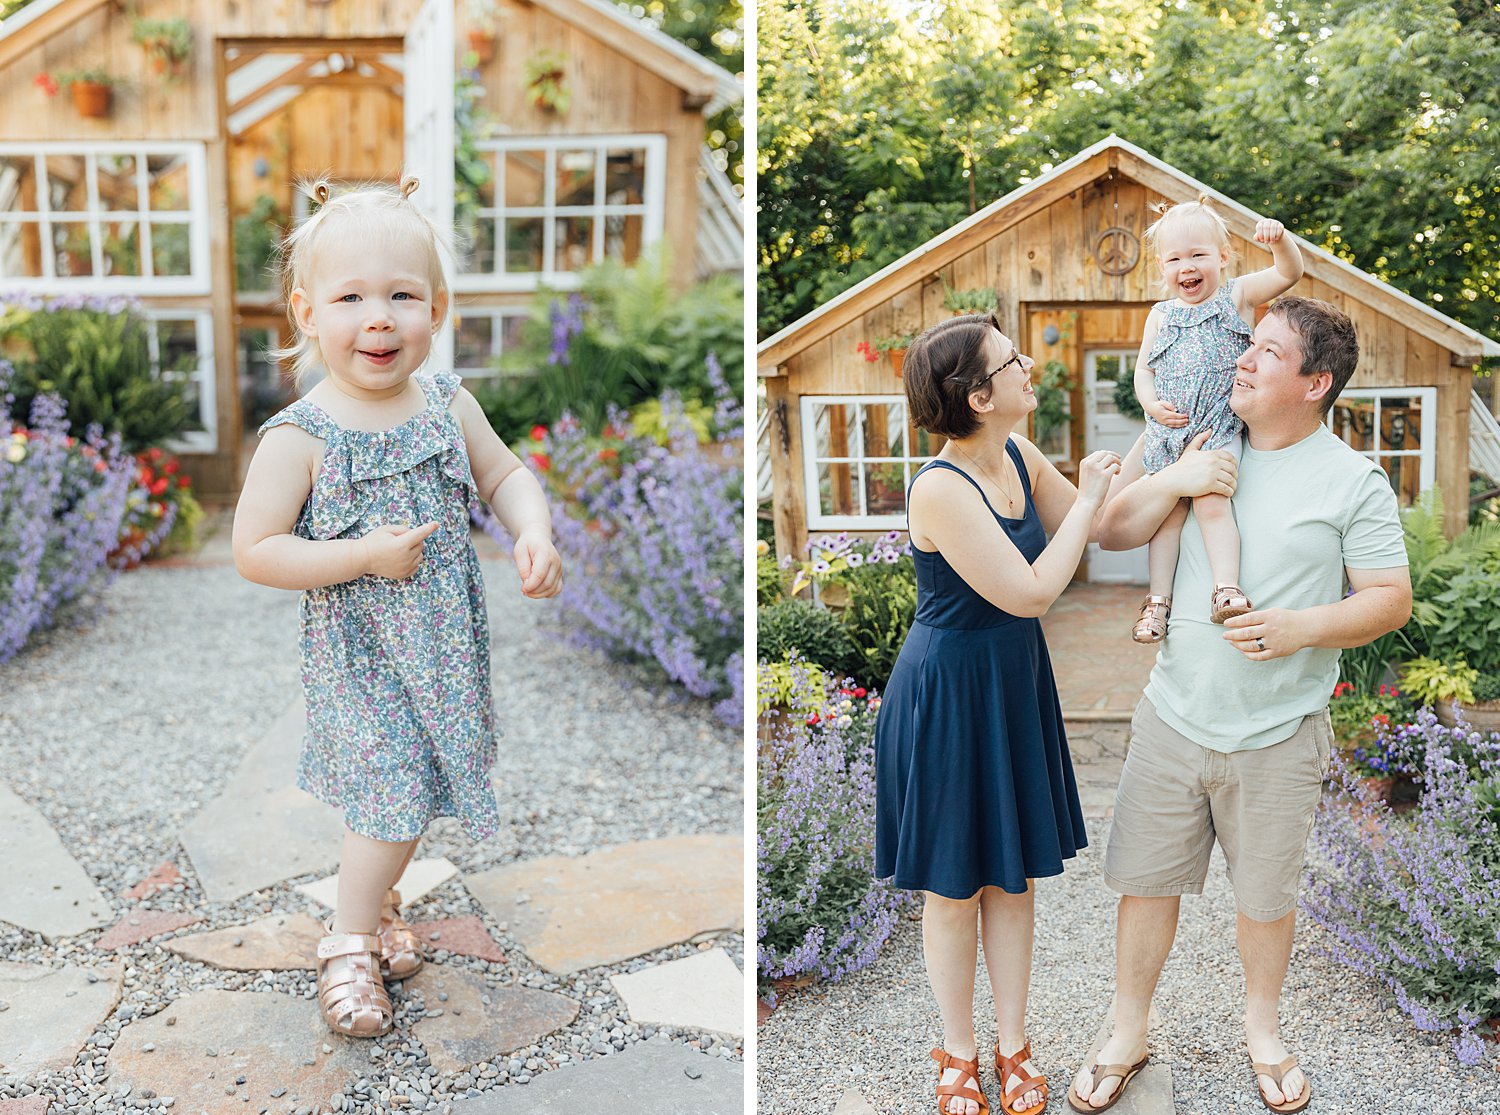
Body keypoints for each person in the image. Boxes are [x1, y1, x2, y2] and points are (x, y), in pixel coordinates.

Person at [232, 177, 563, 1038]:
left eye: (401, 296)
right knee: (391, 796)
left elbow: (504, 475)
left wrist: (532, 529)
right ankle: (347, 944)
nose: (378, 318)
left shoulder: (449, 405)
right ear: (307, 313)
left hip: (444, 653)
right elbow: (255, 549)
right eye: (350, 298)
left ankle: (373, 908)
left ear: (437, 307)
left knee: (410, 795)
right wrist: (360, 556)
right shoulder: (301, 436)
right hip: (363, 657)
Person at [1067, 297, 1411, 1113]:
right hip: (1173, 715)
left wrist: (1301, 627)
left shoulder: (1353, 479)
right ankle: (1126, 1028)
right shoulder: (1203, 438)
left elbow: (1390, 598)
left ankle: (1263, 1029)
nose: (1243, 361)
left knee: (1266, 898)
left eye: (1266, 352)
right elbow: (1112, 532)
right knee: (1143, 883)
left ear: (1316, 381)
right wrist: (1179, 475)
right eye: (1247, 346)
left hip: (1280, 732)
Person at [873, 312, 1124, 1115]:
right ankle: (958, 1051)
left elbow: (1110, 519)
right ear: (980, 396)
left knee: (1010, 880)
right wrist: (1089, 499)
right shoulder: (940, 488)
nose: (1028, 368)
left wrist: (1172, 467)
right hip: (949, 692)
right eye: (1012, 362)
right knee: (954, 888)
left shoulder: (1018, 451)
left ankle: (1013, 1046)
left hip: (1012, 683)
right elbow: (1032, 589)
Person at [1123, 197, 1303, 644]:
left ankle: (1225, 588)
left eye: (1198, 254)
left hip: (1217, 429)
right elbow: (1143, 369)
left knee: (1211, 504)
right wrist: (1149, 404)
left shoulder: (1235, 295)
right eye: (1175, 258)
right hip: (1171, 434)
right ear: (1163, 268)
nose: (1188, 265)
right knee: (1166, 518)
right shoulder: (1159, 315)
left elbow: (1288, 274)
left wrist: (1281, 241)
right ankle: (1157, 603)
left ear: (1222, 258)